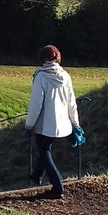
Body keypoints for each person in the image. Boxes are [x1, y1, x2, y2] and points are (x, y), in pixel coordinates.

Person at [24, 44, 79, 199]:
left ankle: (57, 186)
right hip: (62, 124)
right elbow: (71, 102)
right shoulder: (66, 76)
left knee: (45, 152)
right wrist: (75, 123)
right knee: (45, 149)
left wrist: (29, 124)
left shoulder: (41, 77)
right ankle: (36, 177)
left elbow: (36, 104)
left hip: (44, 124)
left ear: (42, 59)